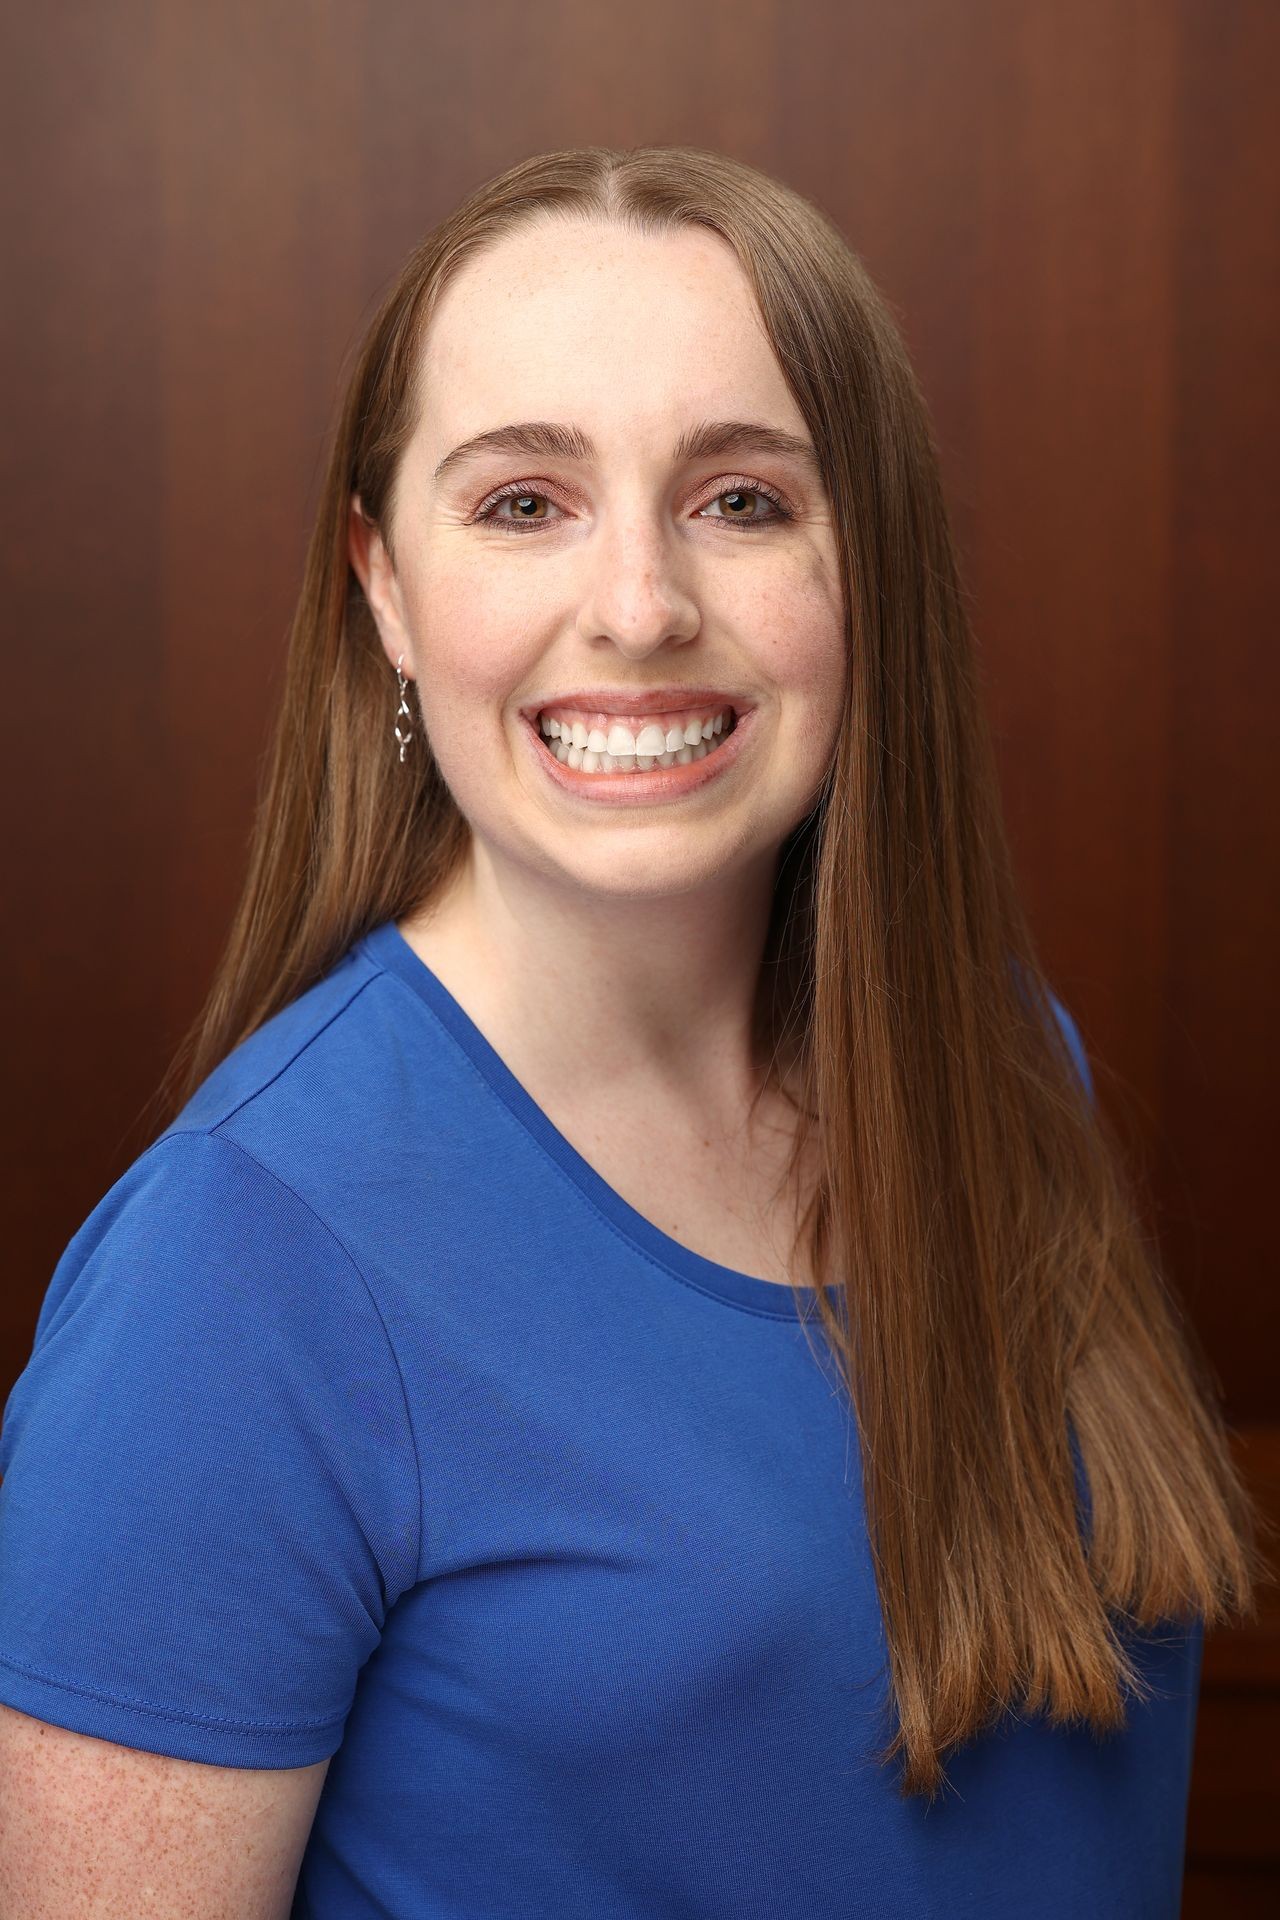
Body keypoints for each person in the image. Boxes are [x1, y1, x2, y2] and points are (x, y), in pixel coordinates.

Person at [0, 145, 1266, 1919]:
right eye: (525, 504)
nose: (643, 605)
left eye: (742, 500)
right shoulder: (238, 1269)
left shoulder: (1004, 1062)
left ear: (868, 565)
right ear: (383, 590)